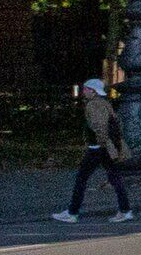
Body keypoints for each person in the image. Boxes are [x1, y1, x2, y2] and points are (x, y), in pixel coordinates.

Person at [55, 78, 134, 222]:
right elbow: (116, 122)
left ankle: (72, 212)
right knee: (115, 178)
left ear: (93, 91)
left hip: (98, 148)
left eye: (86, 89)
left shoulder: (93, 105)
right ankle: (125, 210)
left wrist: (103, 143)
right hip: (105, 147)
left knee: (81, 178)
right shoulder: (105, 103)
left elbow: (99, 127)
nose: (84, 91)